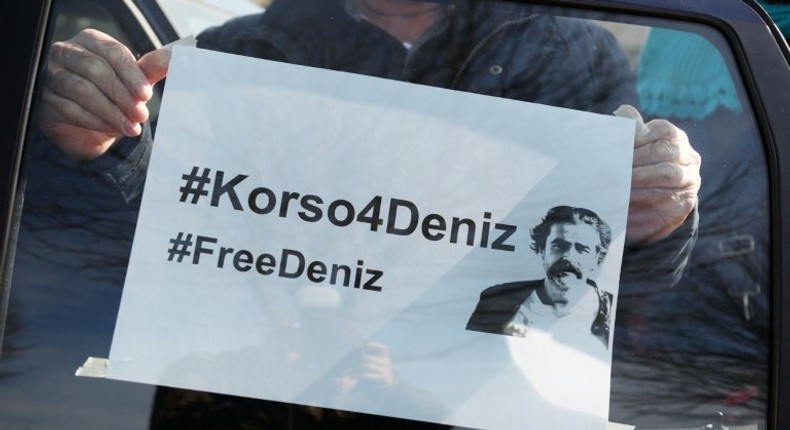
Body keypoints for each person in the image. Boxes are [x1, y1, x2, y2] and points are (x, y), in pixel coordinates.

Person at [34, 0, 701, 427]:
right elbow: (115, 269)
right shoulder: (234, 57)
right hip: (244, 405)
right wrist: (83, 148)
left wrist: (656, 219)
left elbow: (603, 300)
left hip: (470, 409)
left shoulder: (569, 59)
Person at [466, 206, 613, 347]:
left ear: (597, 259)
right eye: (559, 246)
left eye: (582, 249)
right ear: (542, 250)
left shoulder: (614, 312)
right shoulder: (496, 300)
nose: (568, 256)